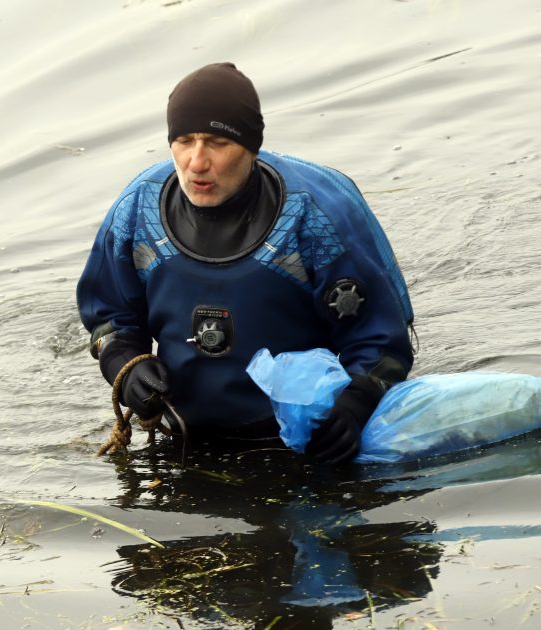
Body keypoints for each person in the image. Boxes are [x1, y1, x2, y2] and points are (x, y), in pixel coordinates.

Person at [76, 62, 414, 463]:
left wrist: (354, 408)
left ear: (251, 147)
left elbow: (382, 342)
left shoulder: (318, 215)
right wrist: (124, 367)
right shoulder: (138, 211)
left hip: (302, 441)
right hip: (185, 437)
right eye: (184, 141)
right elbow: (109, 318)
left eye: (216, 143)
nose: (196, 162)